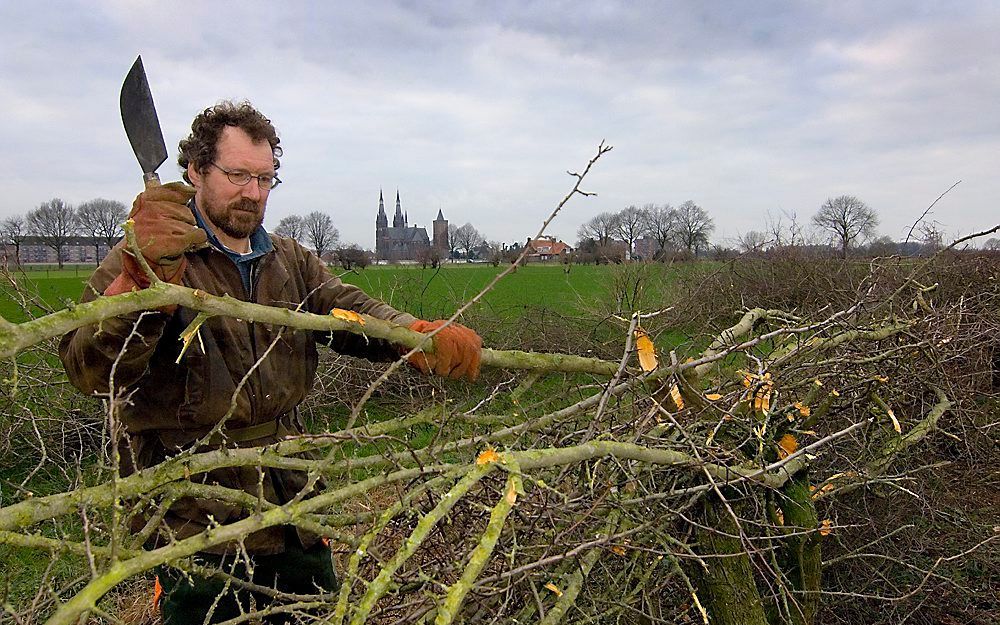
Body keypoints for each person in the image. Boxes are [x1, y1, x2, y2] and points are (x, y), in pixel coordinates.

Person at [58, 100, 481, 624]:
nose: (253, 193)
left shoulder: (289, 258)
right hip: (195, 519)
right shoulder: (146, 256)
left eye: (265, 178)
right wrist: (141, 287)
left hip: (292, 503)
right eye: (237, 175)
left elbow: (345, 308)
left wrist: (409, 335)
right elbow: (91, 371)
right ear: (194, 171)